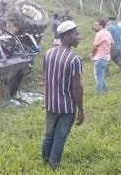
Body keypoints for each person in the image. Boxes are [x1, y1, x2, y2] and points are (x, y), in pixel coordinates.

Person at [41, 21, 84, 170]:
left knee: (49, 134)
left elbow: (46, 78)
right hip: (66, 107)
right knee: (60, 136)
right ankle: (54, 166)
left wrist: (46, 98)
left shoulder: (48, 53)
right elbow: (77, 87)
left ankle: (45, 160)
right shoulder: (74, 59)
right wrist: (81, 110)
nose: (78, 37)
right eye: (75, 34)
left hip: (50, 103)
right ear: (65, 37)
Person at [91, 20, 113, 95]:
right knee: (100, 75)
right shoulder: (108, 33)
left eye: (96, 25)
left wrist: (93, 54)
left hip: (100, 57)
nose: (95, 26)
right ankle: (106, 90)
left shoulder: (99, 34)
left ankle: (98, 94)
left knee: (98, 76)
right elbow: (112, 44)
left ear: (101, 26)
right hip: (107, 57)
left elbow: (95, 46)